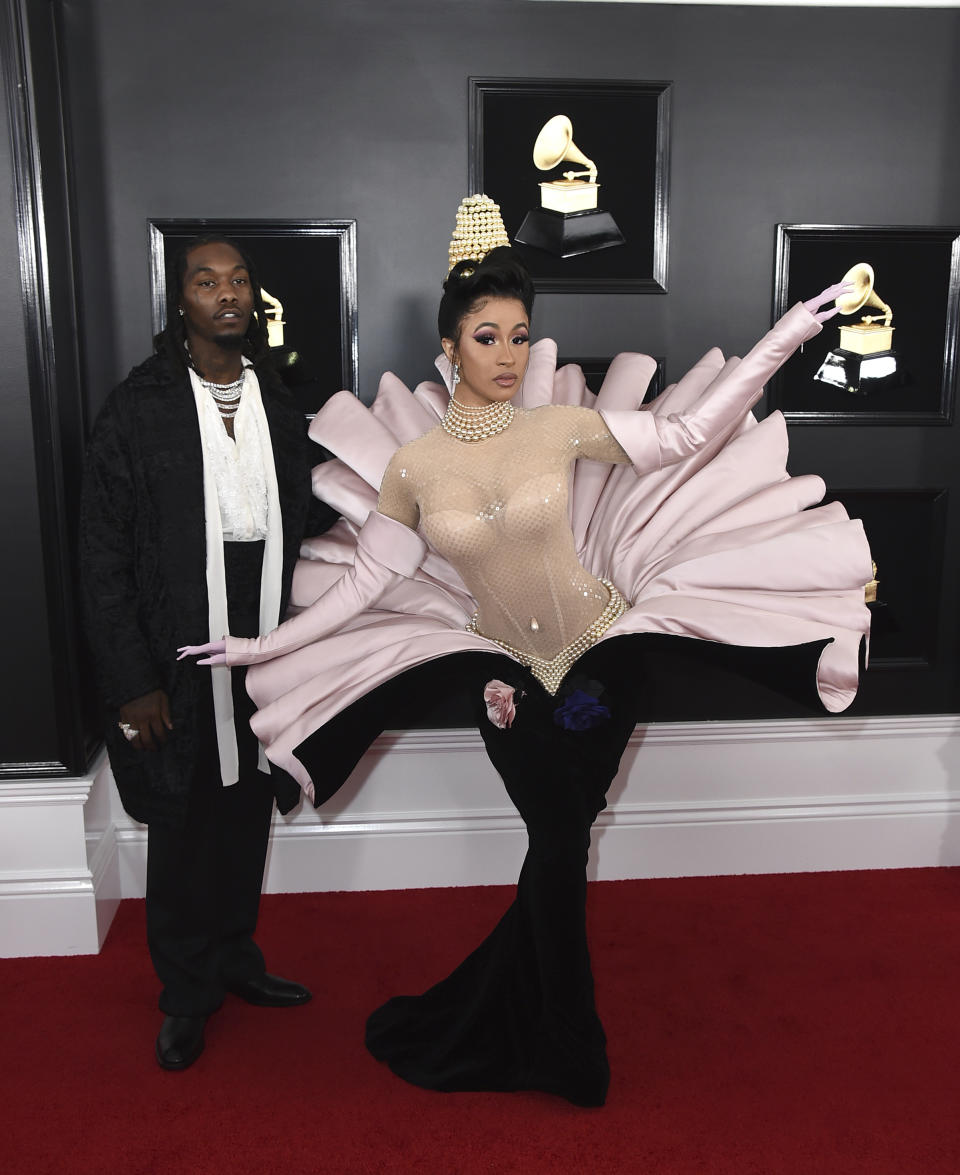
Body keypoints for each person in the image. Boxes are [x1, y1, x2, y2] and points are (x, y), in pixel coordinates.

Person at [181, 208, 872, 1105]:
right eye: (486, 336)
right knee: (558, 842)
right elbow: (361, 589)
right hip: (508, 677)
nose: (508, 354)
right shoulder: (416, 470)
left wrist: (788, 332)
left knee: (558, 842)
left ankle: (570, 1048)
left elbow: (689, 434)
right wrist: (256, 646)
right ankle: (525, 1017)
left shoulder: (555, 429)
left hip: (604, 657)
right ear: (449, 346)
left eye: (519, 335)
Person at [80, 235, 335, 1071]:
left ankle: (234, 960)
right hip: (174, 644)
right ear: (179, 301)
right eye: (205, 280)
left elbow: (308, 521)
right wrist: (132, 682)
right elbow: (103, 553)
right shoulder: (139, 406)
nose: (226, 293)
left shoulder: (284, 400)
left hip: (261, 631)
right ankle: (185, 994)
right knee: (184, 820)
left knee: (242, 810)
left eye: (238, 281)